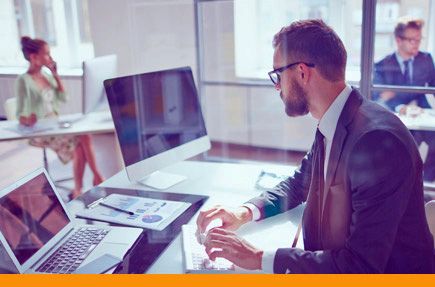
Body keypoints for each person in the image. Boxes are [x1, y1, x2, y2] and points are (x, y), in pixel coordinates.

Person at [196, 19, 435, 273]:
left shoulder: (375, 142)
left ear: (302, 72)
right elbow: (301, 182)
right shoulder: (337, 118)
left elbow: (360, 267)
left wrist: (257, 257)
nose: (277, 85)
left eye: (278, 74)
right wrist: (244, 212)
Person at [15, 36, 105, 199]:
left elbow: (64, 97)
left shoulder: (47, 75)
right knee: (81, 141)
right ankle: (94, 179)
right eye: (47, 54)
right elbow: (19, 114)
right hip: (39, 132)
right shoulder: (23, 81)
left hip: (55, 124)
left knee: (84, 136)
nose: (50, 58)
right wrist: (28, 120)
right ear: (34, 57)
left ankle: (80, 188)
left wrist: (55, 74)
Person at [373, 16, 435, 182]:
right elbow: (379, 96)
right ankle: (404, 187)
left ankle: (427, 188)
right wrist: (401, 106)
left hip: (422, 117)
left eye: (419, 39)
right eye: (411, 40)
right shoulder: (382, 64)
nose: (417, 43)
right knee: (402, 155)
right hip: (397, 119)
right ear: (398, 40)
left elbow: (433, 86)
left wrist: (394, 94)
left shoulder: (426, 59)